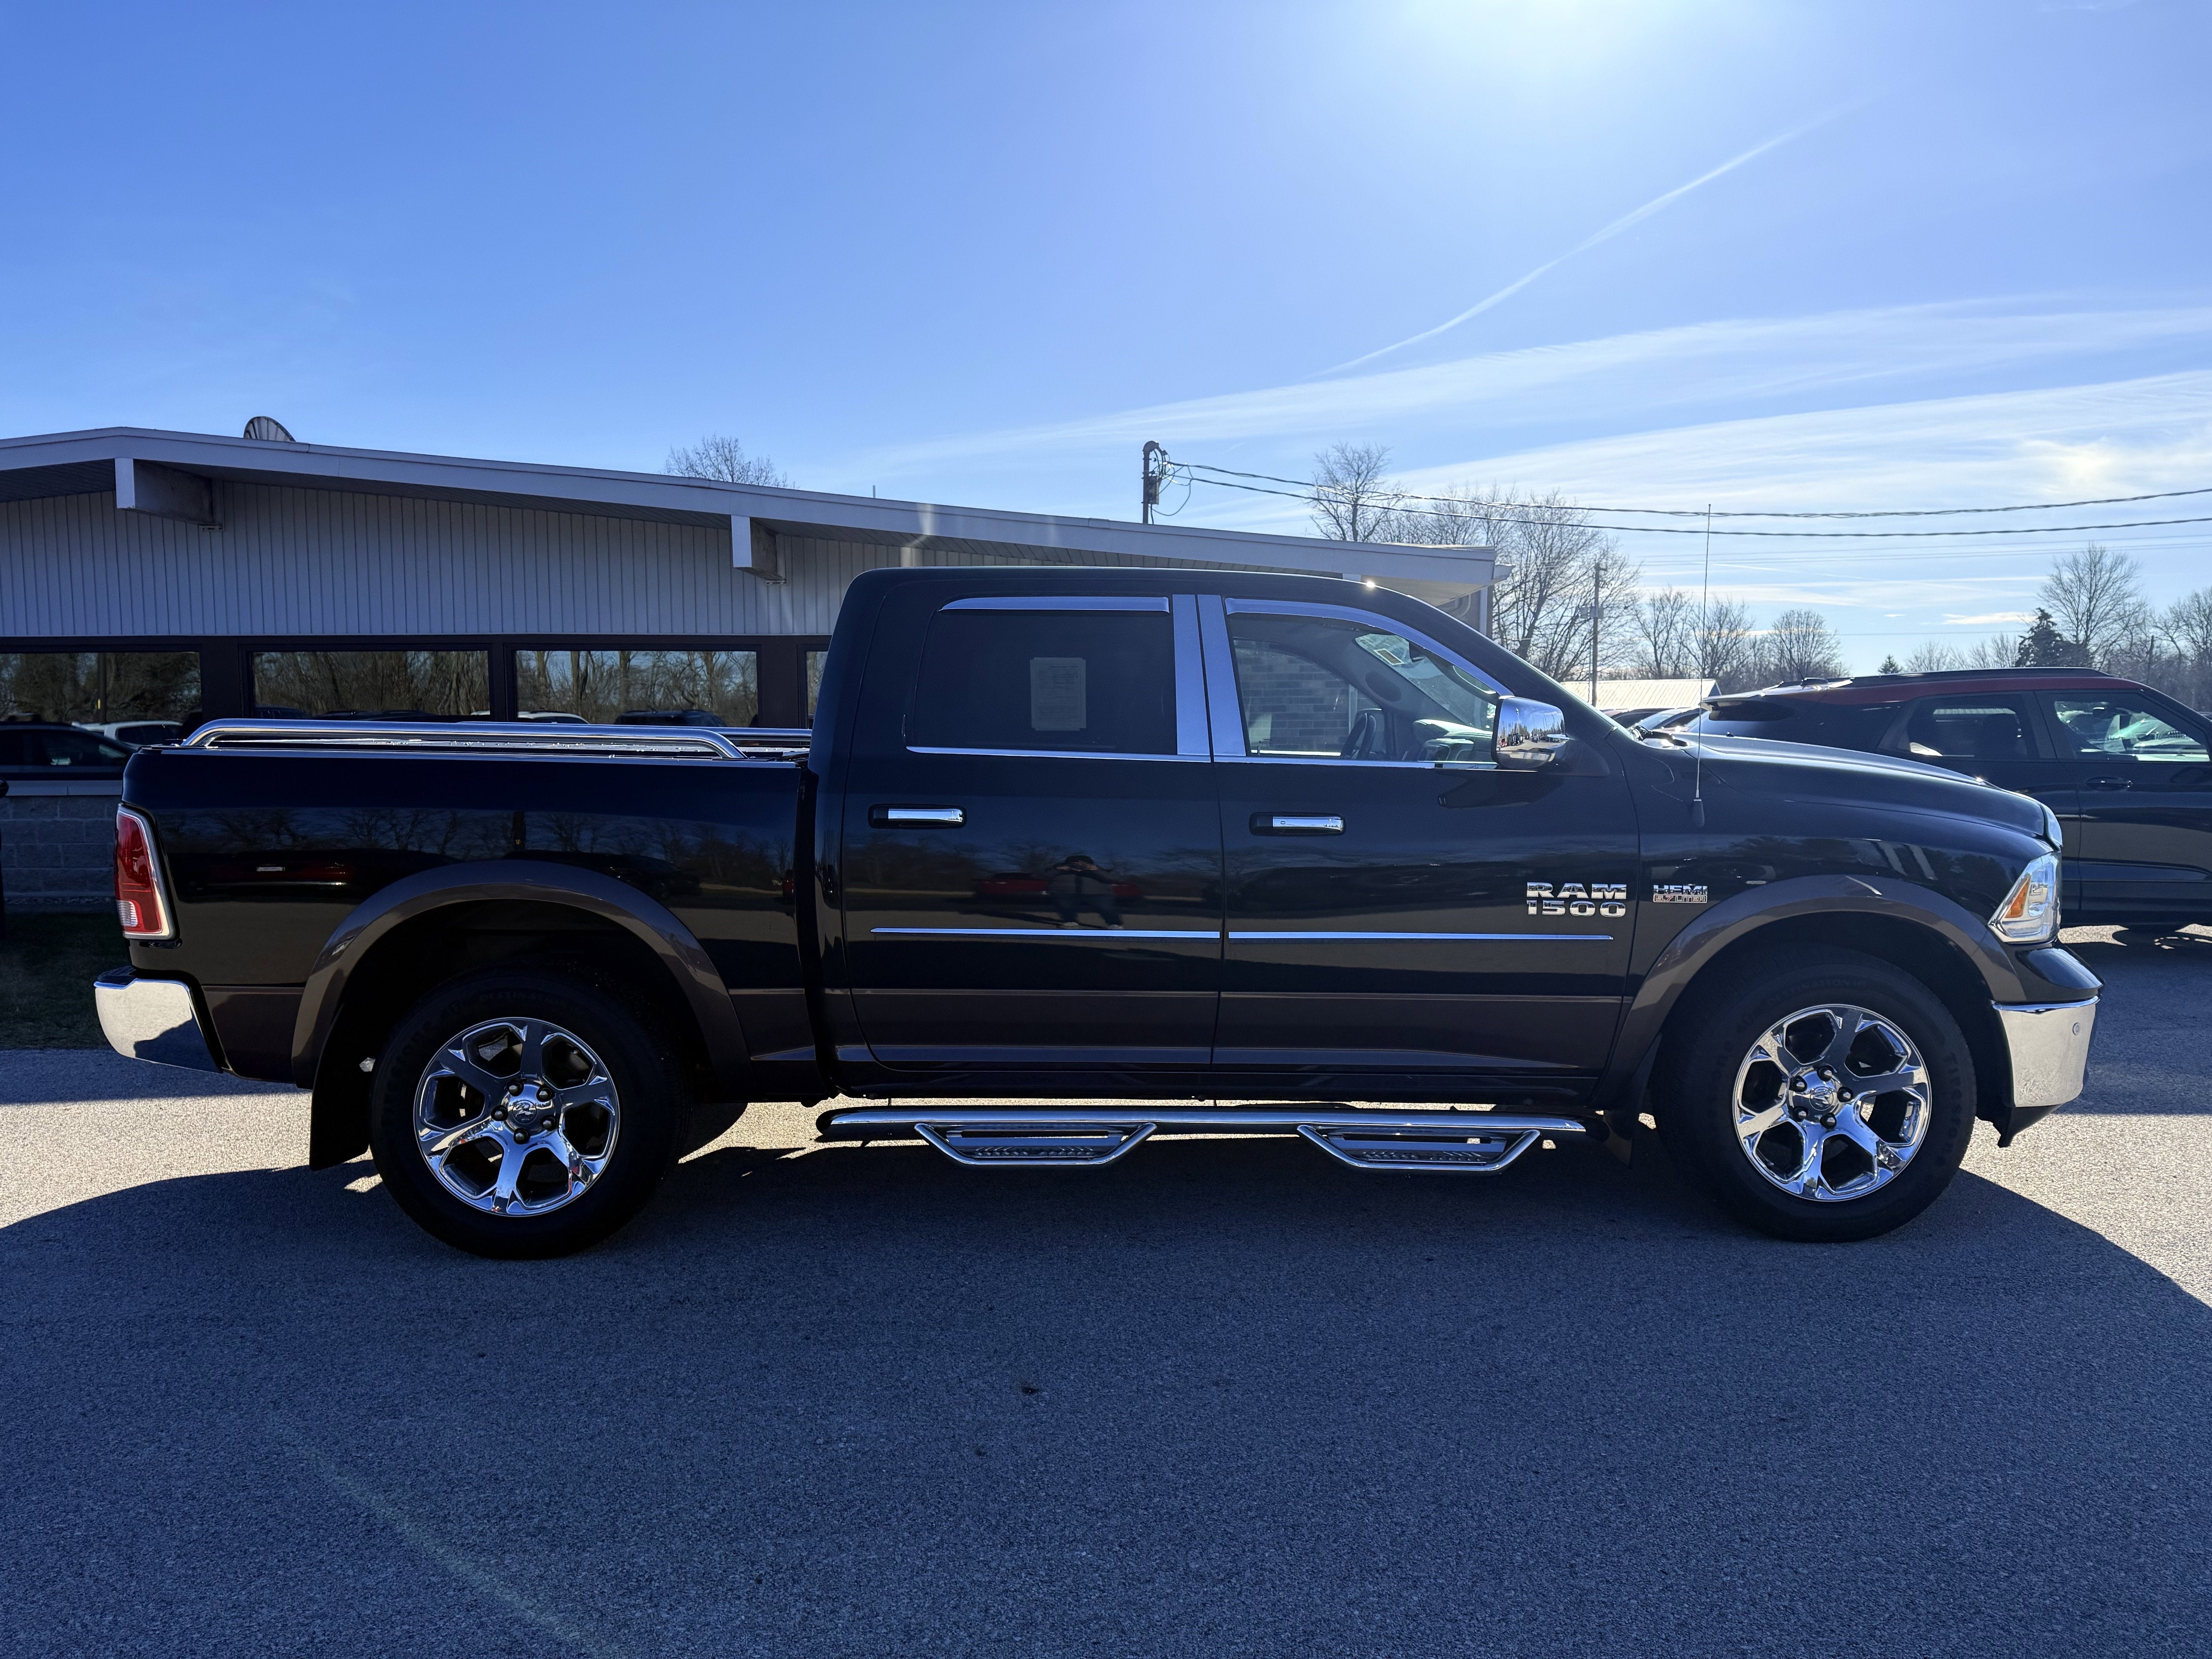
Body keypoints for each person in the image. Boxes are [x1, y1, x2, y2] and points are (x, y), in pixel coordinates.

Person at [1046, 853, 1122, 928]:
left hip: (1097, 893)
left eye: (1083, 864)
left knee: (1106, 908)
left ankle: (1114, 924)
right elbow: (1041, 875)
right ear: (1068, 864)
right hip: (1065, 892)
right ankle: (1070, 921)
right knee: (1065, 907)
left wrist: (1097, 871)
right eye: (1075, 864)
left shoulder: (1099, 869)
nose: (1080, 865)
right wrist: (1059, 870)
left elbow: (1114, 879)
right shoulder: (1059, 869)